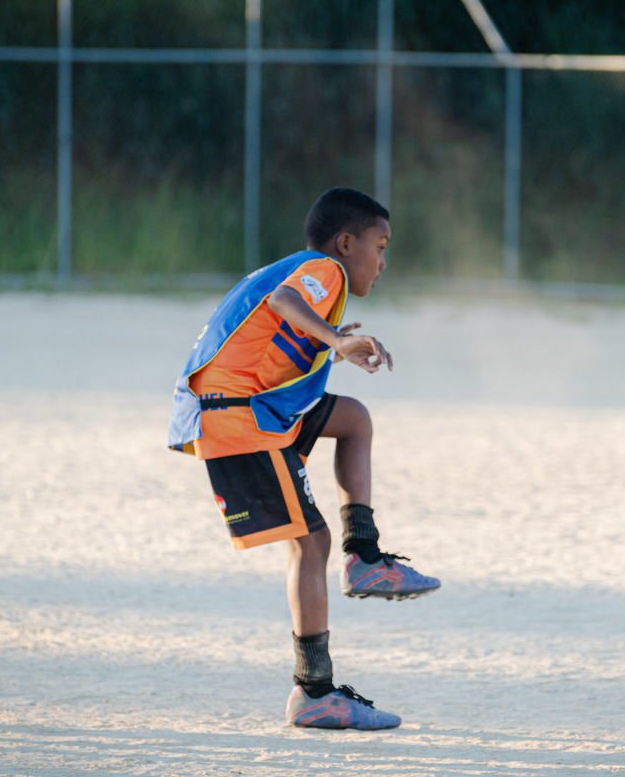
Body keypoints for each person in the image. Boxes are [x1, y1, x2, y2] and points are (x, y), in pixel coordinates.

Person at [167, 187, 440, 729]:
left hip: (252, 406)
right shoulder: (324, 270)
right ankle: (314, 691)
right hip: (240, 415)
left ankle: (364, 556)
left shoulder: (305, 270)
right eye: (380, 247)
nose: (383, 263)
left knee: (353, 420)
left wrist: (332, 345)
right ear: (346, 243)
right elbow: (283, 304)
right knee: (310, 542)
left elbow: (271, 335)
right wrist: (334, 340)